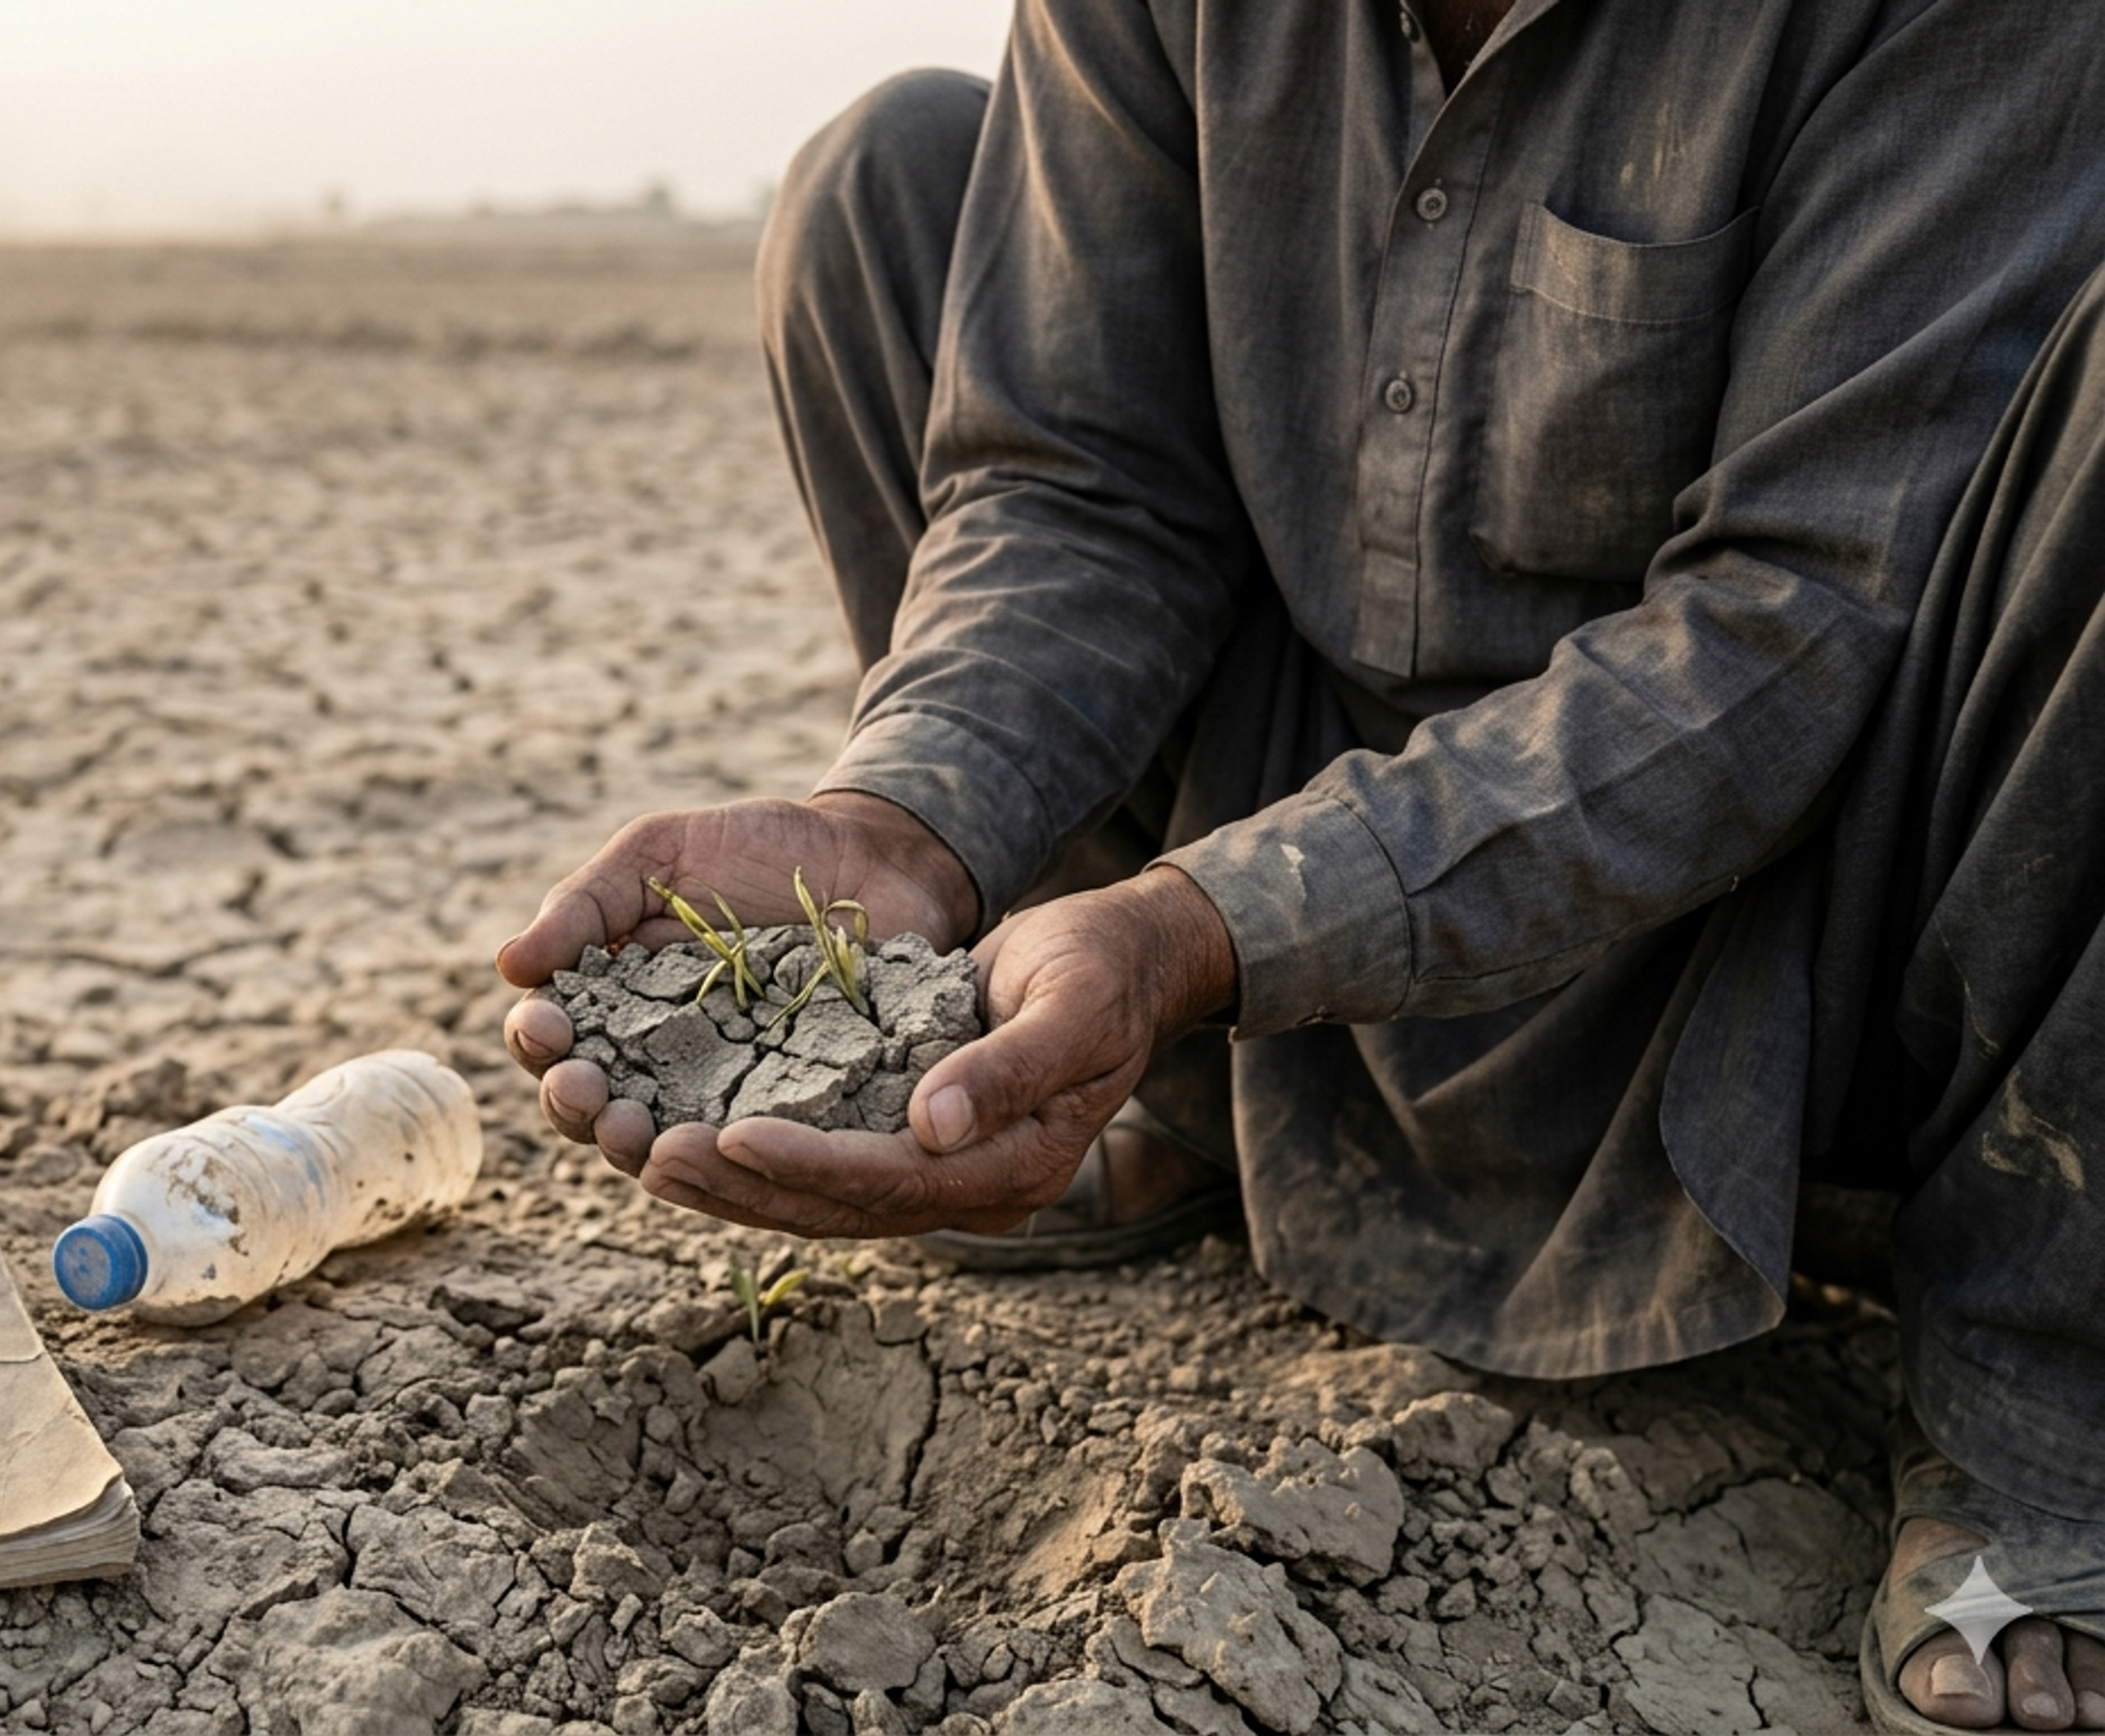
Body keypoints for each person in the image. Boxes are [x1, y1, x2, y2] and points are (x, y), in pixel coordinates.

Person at [493, 4, 2105, 1729]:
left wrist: (1207, 923)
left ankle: (2045, 1397)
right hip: (1256, 827)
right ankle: (1169, 1096)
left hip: (1776, 928)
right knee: (885, 185)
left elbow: (1784, 632)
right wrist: (901, 818)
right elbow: (1081, 485)